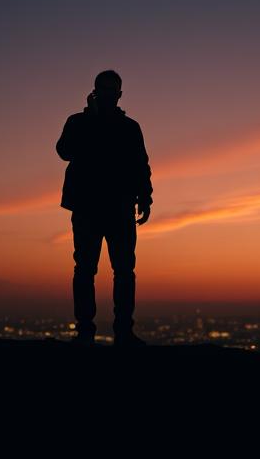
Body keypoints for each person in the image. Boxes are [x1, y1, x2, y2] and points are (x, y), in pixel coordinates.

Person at [55, 69, 153, 347]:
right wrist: (92, 119)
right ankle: (85, 332)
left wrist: (145, 197)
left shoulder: (130, 128)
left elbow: (140, 165)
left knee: (123, 271)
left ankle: (124, 332)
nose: (110, 95)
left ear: (120, 94)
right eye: (104, 89)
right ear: (95, 92)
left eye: (114, 90)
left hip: (120, 208)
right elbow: (64, 151)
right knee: (85, 269)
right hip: (87, 208)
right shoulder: (78, 122)